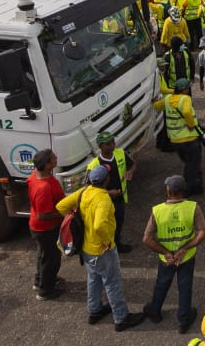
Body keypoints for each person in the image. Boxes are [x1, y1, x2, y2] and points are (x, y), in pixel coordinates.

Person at [56, 165, 146, 330]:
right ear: (107, 180)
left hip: (86, 248)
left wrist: (76, 218)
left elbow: (61, 206)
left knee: (94, 279)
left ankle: (95, 310)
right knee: (113, 282)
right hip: (102, 250)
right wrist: (106, 242)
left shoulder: (83, 192)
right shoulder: (103, 200)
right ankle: (121, 318)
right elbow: (98, 226)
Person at [142, 174, 205, 333]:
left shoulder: (157, 211)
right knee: (185, 286)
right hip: (187, 257)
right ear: (183, 191)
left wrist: (166, 252)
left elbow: (147, 239)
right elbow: (202, 232)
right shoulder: (192, 207)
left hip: (167, 259)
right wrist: (185, 248)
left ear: (169, 191)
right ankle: (184, 320)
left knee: (162, 282)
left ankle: (155, 311)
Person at [85, 132, 137, 253]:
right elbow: (88, 187)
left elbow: (133, 164)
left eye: (113, 142)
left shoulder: (120, 154)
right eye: (108, 144)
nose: (112, 145)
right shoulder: (94, 165)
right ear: (101, 147)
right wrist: (108, 193)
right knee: (105, 225)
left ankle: (117, 244)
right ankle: (108, 247)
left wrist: (131, 171)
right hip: (103, 202)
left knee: (118, 223)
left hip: (119, 199)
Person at [155, 78, 204, 197]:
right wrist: (191, 124)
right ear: (185, 89)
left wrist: (153, 101)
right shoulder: (185, 98)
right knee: (192, 165)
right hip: (189, 139)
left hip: (175, 140)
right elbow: (187, 112)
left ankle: (197, 185)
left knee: (189, 162)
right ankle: (188, 188)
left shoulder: (167, 99)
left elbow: (157, 106)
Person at [27, 148, 65, 300]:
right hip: (46, 229)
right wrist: (64, 213)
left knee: (43, 255)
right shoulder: (44, 188)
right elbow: (43, 215)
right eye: (53, 159)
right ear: (46, 164)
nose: (56, 160)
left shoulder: (35, 177)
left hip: (38, 227)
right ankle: (46, 290)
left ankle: (40, 280)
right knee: (51, 258)